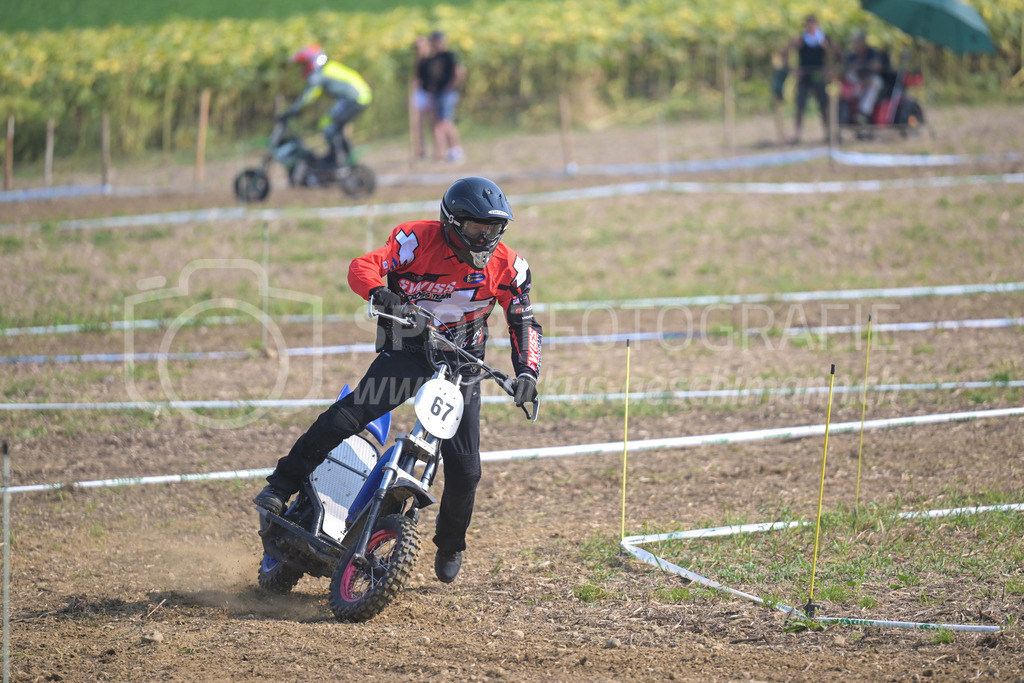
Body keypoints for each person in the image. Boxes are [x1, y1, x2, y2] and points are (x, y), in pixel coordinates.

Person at [254, 176, 543, 584]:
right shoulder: (415, 240)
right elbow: (363, 267)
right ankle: (281, 486)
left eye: (493, 230)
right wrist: (380, 293)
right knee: (347, 417)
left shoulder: (511, 267)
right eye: (477, 229)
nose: (485, 239)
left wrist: (528, 372)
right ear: (452, 223)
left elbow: (523, 321)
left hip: (462, 364)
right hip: (409, 351)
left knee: (465, 469)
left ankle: (450, 543)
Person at [284, 44, 372, 166]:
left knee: (327, 124)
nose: (303, 69)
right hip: (359, 97)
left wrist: (293, 110)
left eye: (304, 65)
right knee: (334, 126)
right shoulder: (329, 69)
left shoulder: (320, 74)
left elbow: (309, 95)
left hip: (354, 98)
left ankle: (336, 160)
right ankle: (345, 156)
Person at [778, 15, 843, 143]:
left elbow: (839, 54)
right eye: (808, 25)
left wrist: (830, 69)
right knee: (800, 107)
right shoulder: (800, 40)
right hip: (804, 78)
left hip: (819, 77)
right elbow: (783, 52)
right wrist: (792, 70)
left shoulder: (824, 40)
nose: (810, 27)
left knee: (824, 106)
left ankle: (828, 134)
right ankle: (797, 136)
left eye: (812, 24)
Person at [422, 31, 466, 162]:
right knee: (442, 122)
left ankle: (452, 150)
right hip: (437, 94)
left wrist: (451, 86)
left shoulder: (449, 56)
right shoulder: (432, 59)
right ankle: (448, 151)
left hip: (447, 93)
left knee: (445, 122)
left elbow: (459, 72)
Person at [845, 31, 891, 125]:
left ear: (864, 42)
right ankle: (849, 111)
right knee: (848, 78)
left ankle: (863, 113)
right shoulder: (852, 56)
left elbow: (878, 66)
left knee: (875, 82)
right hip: (858, 82)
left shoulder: (873, 53)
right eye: (856, 43)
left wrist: (864, 66)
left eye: (859, 42)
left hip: (871, 81)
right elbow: (849, 69)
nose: (857, 45)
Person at [410, 36, 435, 160]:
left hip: (431, 93)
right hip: (421, 93)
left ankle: (437, 150)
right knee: (418, 123)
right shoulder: (419, 61)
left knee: (434, 123)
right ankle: (421, 151)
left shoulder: (432, 60)